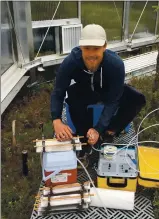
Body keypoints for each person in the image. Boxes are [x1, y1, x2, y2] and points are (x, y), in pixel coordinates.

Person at [51, 24, 146, 159]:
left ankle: (109, 132)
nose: (91, 54)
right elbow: (58, 92)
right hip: (86, 90)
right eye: (86, 49)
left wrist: (98, 128)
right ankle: (84, 139)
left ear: (104, 47)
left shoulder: (116, 64)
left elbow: (113, 100)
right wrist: (56, 120)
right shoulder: (70, 63)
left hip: (108, 91)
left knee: (137, 98)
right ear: (80, 47)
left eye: (96, 49)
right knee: (72, 96)